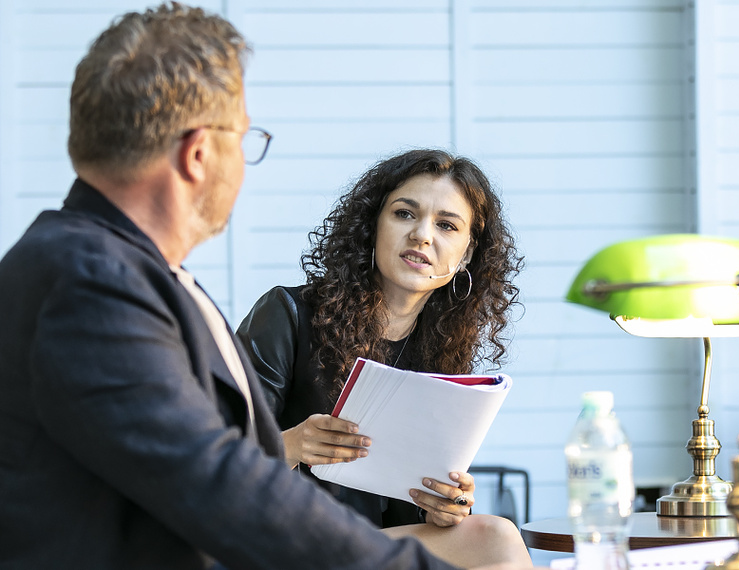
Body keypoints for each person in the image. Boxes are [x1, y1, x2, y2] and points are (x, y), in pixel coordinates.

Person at [0, 4, 540, 569]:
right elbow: (219, 485)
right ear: (200, 154)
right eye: (245, 138)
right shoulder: (96, 285)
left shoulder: (109, 269)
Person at [236, 149, 531, 568]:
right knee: (497, 539)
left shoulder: (441, 352)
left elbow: (405, 504)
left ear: (466, 254)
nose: (423, 236)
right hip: (281, 539)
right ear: (373, 225)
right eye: (405, 214)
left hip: (366, 547)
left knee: (492, 536)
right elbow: (215, 455)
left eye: (446, 225)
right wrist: (293, 443)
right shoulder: (288, 314)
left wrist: (442, 507)